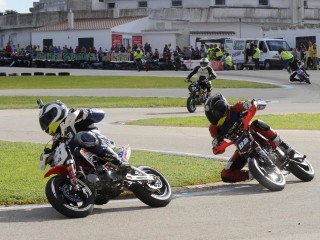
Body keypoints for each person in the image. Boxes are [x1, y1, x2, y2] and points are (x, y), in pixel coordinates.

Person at [204, 94, 295, 183]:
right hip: (242, 147)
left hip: (252, 133)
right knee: (225, 175)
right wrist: (216, 144)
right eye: (210, 115)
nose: (214, 118)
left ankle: (284, 145)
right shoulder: (213, 128)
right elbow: (217, 148)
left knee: (256, 123)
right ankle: (253, 174)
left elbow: (256, 104)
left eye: (215, 114)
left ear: (222, 107)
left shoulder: (235, 108)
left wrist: (251, 104)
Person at [38, 100, 130, 172]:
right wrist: (49, 157)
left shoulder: (75, 117)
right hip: (88, 164)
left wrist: (85, 113)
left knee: (80, 136)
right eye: (44, 123)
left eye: (47, 119)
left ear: (56, 112)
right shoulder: (58, 139)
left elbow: (101, 114)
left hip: (102, 145)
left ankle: (119, 162)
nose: (46, 124)